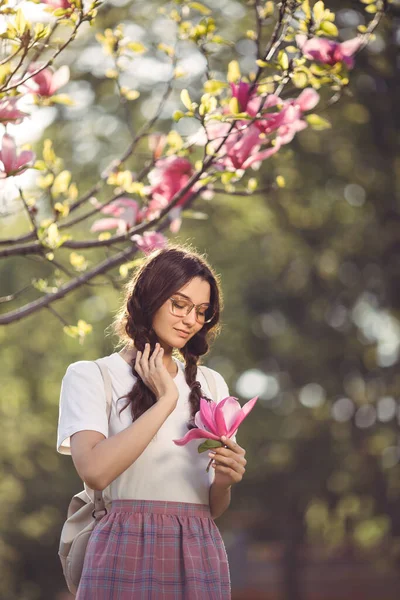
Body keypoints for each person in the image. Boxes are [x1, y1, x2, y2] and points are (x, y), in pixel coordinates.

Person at [57, 244, 248, 599]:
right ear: (150, 298)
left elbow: (212, 506)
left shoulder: (213, 384)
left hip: (198, 547)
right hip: (123, 544)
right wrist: (166, 401)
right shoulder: (92, 376)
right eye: (180, 304)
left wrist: (224, 481)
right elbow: (95, 471)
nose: (191, 320)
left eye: (202, 311)